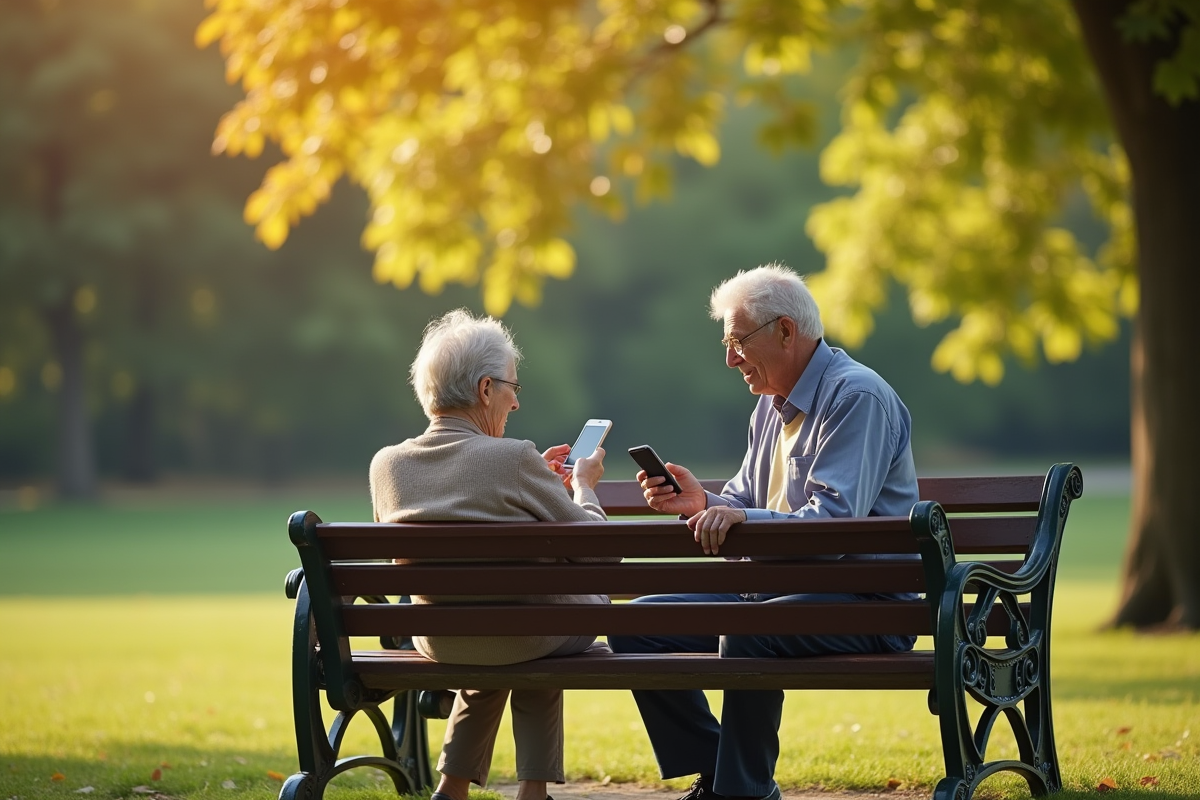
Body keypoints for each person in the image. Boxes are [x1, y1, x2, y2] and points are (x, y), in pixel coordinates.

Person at [609, 264, 920, 800]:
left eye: (737, 342)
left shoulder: (856, 396)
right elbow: (746, 502)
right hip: (773, 592)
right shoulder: (768, 407)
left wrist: (741, 519)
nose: (729, 358)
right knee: (639, 623)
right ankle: (723, 776)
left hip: (866, 603)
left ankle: (740, 791)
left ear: (784, 331)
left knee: (749, 630)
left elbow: (835, 528)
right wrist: (703, 503)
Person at [369, 308, 614, 800]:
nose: (515, 403)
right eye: (512, 388)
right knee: (540, 617)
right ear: (485, 389)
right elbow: (597, 554)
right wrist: (583, 487)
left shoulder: (387, 465)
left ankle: (452, 786)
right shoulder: (514, 458)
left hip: (439, 640)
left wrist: (533, 483)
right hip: (527, 635)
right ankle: (533, 790)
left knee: (503, 621)